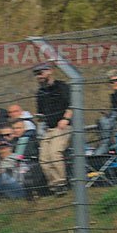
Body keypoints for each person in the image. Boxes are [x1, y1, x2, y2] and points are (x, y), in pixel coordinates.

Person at [34, 62, 72, 195]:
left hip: (62, 127)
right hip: (49, 128)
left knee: (55, 153)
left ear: (49, 71)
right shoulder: (40, 93)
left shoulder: (62, 87)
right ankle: (54, 185)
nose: (38, 76)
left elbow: (72, 105)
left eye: (40, 73)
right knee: (44, 158)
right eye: (36, 74)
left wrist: (65, 119)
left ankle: (61, 182)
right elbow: (41, 114)